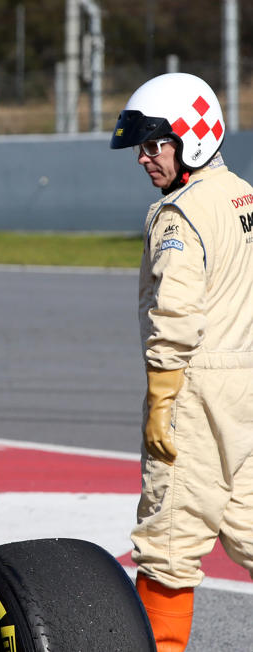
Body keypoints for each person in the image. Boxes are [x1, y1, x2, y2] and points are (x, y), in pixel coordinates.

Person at [110, 72, 253, 651]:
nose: (144, 158)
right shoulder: (245, 196)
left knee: (167, 545)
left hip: (195, 388)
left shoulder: (179, 213)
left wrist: (163, 400)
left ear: (191, 138)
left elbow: (174, 315)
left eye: (153, 144)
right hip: (247, 384)